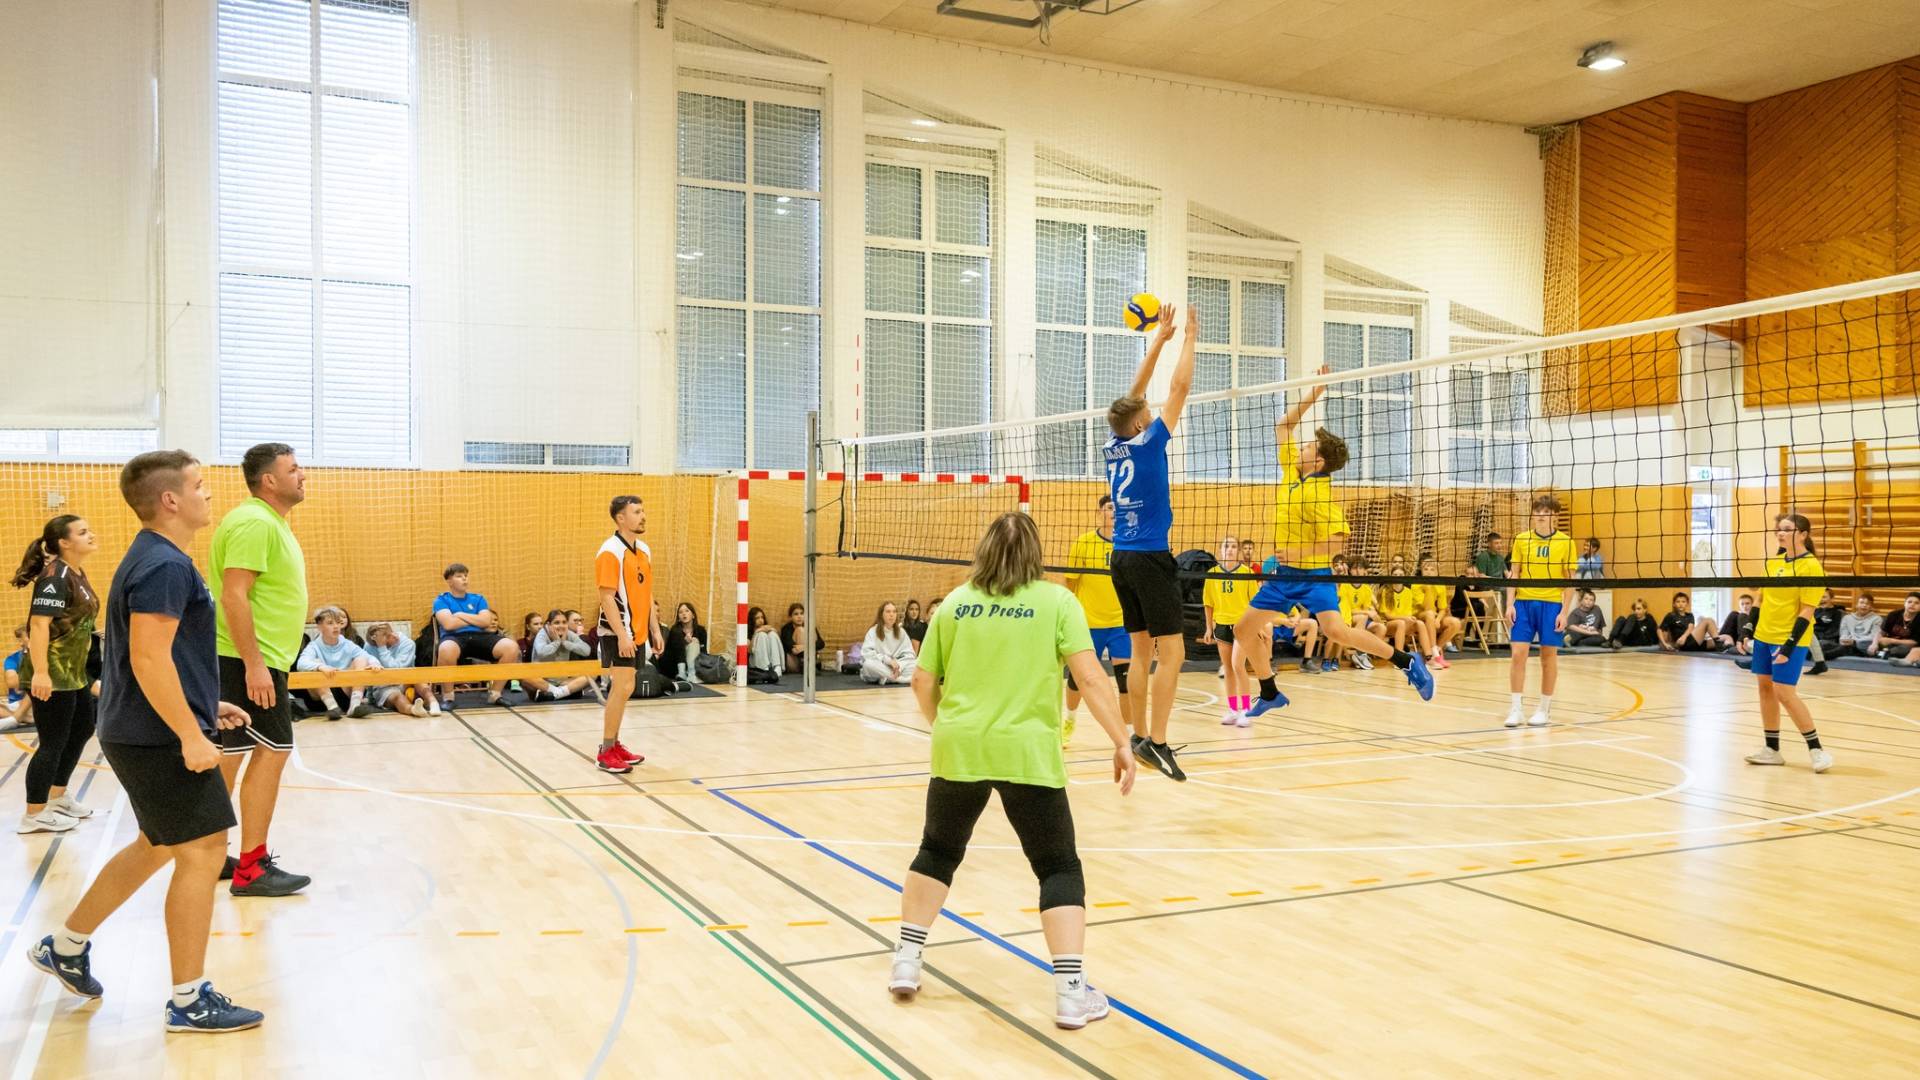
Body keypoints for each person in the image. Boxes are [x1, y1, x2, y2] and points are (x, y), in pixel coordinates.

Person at [24, 449, 265, 1032]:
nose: (209, 494)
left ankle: (66, 945)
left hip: (142, 727)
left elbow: (161, 657)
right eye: (200, 485)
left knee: (157, 845)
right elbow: (148, 658)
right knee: (204, 850)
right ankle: (188, 1000)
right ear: (171, 500)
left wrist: (205, 704)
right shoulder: (164, 565)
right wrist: (189, 732)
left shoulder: (160, 558)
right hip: (156, 736)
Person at [886, 512, 1134, 1029]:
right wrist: (1121, 741)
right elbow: (1091, 678)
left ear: (983, 551)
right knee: (1057, 867)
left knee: (937, 851)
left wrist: (946, 726)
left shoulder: (955, 603)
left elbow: (921, 681)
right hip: (1027, 753)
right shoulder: (1058, 602)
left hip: (961, 747)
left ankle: (906, 963)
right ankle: (1071, 994)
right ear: (1034, 555)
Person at [1236, 368, 1434, 720]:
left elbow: (1338, 541)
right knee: (1243, 630)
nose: (1301, 447)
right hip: (1284, 575)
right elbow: (1283, 426)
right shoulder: (1293, 473)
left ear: (1319, 461)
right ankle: (1269, 692)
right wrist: (1315, 393)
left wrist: (1298, 552)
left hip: (1314, 575)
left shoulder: (1319, 496)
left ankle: (1406, 661)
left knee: (1336, 631)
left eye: (1308, 447)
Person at [1100, 303, 1198, 781]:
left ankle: (1139, 735)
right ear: (1142, 425)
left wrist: (1158, 339)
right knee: (1173, 653)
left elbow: (1132, 398)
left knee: (1141, 652)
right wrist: (1190, 337)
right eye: (1147, 413)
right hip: (1150, 557)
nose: (1151, 410)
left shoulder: (1114, 444)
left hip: (1121, 557)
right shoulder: (1150, 441)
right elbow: (1179, 389)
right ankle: (1157, 742)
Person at [212, 442, 312, 898]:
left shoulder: (269, 521)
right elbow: (233, 594)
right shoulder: (255, 522)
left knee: (231, 755)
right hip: (250, 659)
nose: (303, 475)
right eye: (294, 469)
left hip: (253, 658)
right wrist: (255, 664)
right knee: (272, 751)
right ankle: (251, 868)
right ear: (269, 480)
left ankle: (210, 852)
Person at [13, 515, 101, 833]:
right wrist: (41, 673)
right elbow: (39, 625)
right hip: (51, 672)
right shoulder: (54, 576)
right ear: (64, 542)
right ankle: (34, 813)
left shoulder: (76, 572)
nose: (91, 535)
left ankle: (57, 797)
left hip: (73, 672)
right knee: (53, 742)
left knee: (83, 728)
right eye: (82, 532)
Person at [1744, 514, 1832, 773]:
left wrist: (1788, 646)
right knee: (1765, 689)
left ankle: (1817, 750)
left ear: (1803, 534)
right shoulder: (1773, 562)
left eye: (1787, 529)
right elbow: (1760, 599)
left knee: (1784, 692)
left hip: (1790, 637)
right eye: (1778, 529)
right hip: (1764, 635)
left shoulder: (1811, 567)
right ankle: (1772, 750)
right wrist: (1748, 629)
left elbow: (1807, 610)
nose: (1780, 533)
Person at [594, 495, 663, 774]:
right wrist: (622, 635)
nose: (643, 516)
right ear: (620, 518)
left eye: (643, 511)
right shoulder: (610, 551)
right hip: (617, 630)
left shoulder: (644, 549)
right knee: (620, 687)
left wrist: (655, 629)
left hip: (638, 631)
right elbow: (606, 597)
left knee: (627, 688)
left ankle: (615, 743)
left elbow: (647, 593)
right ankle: (606, 751)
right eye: (636, 512)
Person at [1062, 495, 1135, 748]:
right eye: (1109, 508)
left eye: (1117, 508)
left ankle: (1128, 735)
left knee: (1125, 682)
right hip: (1089, 624)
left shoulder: (1129, 544)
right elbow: (1070, 584)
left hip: (1120, 625)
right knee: (1077, 679)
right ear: (1099, 513)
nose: (1113, 512)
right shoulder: (1083, 543)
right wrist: (1070, 618)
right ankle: (1069, 720)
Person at [1505, 495, 1576, 728]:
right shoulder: (1521, 539)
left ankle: (1544, 709)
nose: (1541, 515)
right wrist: (1509, 605)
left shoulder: (1566, 542)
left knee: (1548, 657)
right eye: (1538, 511)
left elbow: (1570, 581)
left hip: (1552, 604)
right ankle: (1516, 709)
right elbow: (1514, 573)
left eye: (1546, 512)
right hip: (1524, 603)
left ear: (1555, 515)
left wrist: (1564, 612)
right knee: (1518, 654)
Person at [433, 564, 548, 705]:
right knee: (446, 649)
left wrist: (460, 614)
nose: (464, 579)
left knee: (511, 647)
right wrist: (475, 618)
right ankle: (448, 697)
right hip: (454, 638)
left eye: (466, 576)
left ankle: (495, 694)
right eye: (459, 576)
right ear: (449, 581)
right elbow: (449, 624)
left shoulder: (478, 599)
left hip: (480, 636)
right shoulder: (441, 600)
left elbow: (486, 622)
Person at [1201, 534, 1257, 727]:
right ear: (1220, 551)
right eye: (1227, 546)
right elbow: (1208, 603)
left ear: (1238, 551)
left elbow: (1254, 603)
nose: (1230, 550)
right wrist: (1209, 628)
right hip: (1222, 625)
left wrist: (1256, 625)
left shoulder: (1247, 573)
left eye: (1233, 546)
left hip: (1242, 626)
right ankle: (1233, 710)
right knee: (1228, 669)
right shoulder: (1212, 573)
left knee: (1238, 666)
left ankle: (1246, 710)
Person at [294, 606, 378, 719]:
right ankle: (332, 708)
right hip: (320, 700)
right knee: (314, 662)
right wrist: (320, 666)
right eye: (330, 623)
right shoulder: (314, 646)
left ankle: (355, 705)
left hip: (344, 696)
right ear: (319, 626)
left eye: (338, 623)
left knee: (361, 659)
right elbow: (301, 664)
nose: (336, 626)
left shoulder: (347, 643)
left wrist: (375, 664)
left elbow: (367, 656)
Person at [363, 622, 433, 716]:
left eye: (392, 631)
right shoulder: (369, 647)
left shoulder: (407, 643)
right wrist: (370, 697)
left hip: (405, 680)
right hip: (384, 686)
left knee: (418, 678)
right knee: (397, 697)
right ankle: (413, 709)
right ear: (378, 642)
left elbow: (396, 669)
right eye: (388, 636)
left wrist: (382, 647)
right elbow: (369, 673)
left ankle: (433, 703)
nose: (394, 636)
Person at [531, 609, 596, 699]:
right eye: (557, 623)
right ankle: (566, 692)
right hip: (542, 682)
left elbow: (586, 651)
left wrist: (565, 643)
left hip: (562, 682)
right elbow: (542, 652)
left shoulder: (568, 633)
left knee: (593, 673)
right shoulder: (542, 634)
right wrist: (557, 642)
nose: (561, 626)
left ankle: (556, 694)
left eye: (564, 622)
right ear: (549, 625)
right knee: (525, 677)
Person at [1414, 555, 1461, 667]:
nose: (1429, 572)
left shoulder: (1440, 585)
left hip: (1433, 616)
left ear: (1436, 571)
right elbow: (1426, 607)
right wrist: (1428, 588)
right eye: (1426, 569)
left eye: (1432, 569)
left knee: (1455, 622)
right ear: (1421, 571)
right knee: (1430, 614)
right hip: (1418, 616)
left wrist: (1438, 620)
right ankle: (1434, 654)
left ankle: (1437, 649)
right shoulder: (1416, 584)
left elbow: (1443, 608)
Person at [860, 602, 918, 685]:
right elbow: (866, 654)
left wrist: (898, 665)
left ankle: (888, 678)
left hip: (898, 667)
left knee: (917, 664)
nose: (891, 615)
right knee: (868, 665)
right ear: (881, 615)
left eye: (894, 612)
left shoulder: (901, 632)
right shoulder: (873, 631)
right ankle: (899, 679)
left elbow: (910, 654)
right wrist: (887, 661)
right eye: (888, 612)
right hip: (882, 665)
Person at [655, 602, 708, 683]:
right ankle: (683, 673)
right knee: (681, 637)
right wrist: (684, 643)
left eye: (687, 611)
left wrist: (698, 644)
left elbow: (704, 652)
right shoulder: (675, 630)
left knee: (694, 643)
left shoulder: (701, 630)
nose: (684, 614)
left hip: (694, 664)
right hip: (673, 665)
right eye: (680, 612)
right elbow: (674, 651)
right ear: (679, 618)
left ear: (693, 615)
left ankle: (692, 674)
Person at [1869, 591, 1920, 661]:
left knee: (1904, 649)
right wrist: (1874, 644)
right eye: (1909, 602)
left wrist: (1892, 641)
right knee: (1866, 642)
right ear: (1904, 603)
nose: (1912, 605)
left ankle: (1883, 653)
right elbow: (1881, 632)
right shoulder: (1893, 615)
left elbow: (1914, 642)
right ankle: (1884, 653)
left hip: (1905, 646)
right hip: (1888, 644)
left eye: (1916, 603)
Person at [779, 603, 828, 674]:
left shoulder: (810, 626)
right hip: (793, 661)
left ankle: (807, 664)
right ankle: (806, 664)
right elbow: (792, 648)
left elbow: (821, 643)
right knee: (800, 630)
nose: (799, 616)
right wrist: (807, 646)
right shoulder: (786, 628)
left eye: (802, 613)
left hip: (808, 659)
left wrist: (805, 646)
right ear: (790, 617)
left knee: (810, 629)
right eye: (796, 614)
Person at [746, 606, 783, 678]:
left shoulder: (766, 629)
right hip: (756, 663)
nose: (760, 620)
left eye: (762, 617)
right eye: (757, 618)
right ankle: (764, 668)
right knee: (761, 635)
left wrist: (771, 630)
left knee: (772, 634)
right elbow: (749, 651)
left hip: (770, 662)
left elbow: (776, 641)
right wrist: (756, 633)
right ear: (752, 620)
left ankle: (777, 667)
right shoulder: (748, 633)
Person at [4, 625, 29, 727]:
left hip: (37, 702)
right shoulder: (13, 658)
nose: (20, 644)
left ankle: (17, 718)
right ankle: (24, 717)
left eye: (22, 639)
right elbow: (11, 682)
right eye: (18, 640)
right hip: (17, 704)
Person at [1812, 589, 1845, 653]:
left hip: (1828, 641)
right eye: (1819, 597)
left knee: (1820, 644)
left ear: (1832, 599)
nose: (1821, 599)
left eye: (1824, 597)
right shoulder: (1814, 611)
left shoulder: (1838, 613)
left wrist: (1817, 639)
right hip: (1814, 640)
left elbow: (1834, 632)